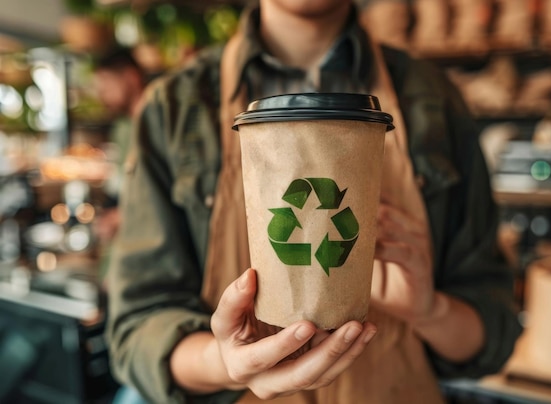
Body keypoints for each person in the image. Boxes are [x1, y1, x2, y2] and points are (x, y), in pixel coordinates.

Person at [106, 1, 523, 403]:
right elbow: (137, 329)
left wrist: (431, 310)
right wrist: (225, 361)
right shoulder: (174, 107)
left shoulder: (434, 98)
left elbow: (495, 327)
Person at [91, 48, 146, 249]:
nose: (101, 94)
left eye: (106, 84)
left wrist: (123, 216)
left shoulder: (160, 121)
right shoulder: (122, 129)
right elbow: (118, 186)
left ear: (131, 77)